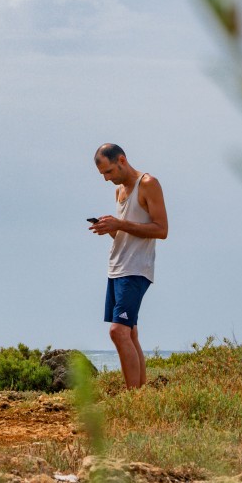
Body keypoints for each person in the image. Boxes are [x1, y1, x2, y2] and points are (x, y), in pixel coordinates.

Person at [89, 144, 168, 388]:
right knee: (130, 333)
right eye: (103, 174)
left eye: (109, 171)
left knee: (118, 332)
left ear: (122, 160)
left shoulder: (148, 184)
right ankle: (140, 394)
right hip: (116, 268)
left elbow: (161, 229)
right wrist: (111, 229)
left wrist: (120, 225)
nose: (106, 178)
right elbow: (128, 232)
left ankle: (132, 397)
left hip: (136, 269)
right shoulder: (119, 191)